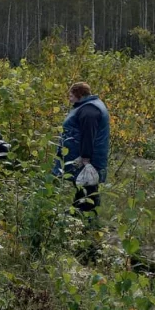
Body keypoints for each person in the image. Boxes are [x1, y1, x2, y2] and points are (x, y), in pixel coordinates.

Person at [55, 82, 110, 213]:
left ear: (79, 94)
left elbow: (88, 135)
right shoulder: (89, 106)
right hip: (89, 155)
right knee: (87, 185)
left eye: (71, 95)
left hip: (87, 157)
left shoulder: (89, 111)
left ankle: (81, 216)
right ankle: (83, 216)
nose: (70, 98)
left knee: (87, 186)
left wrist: (85, 157)